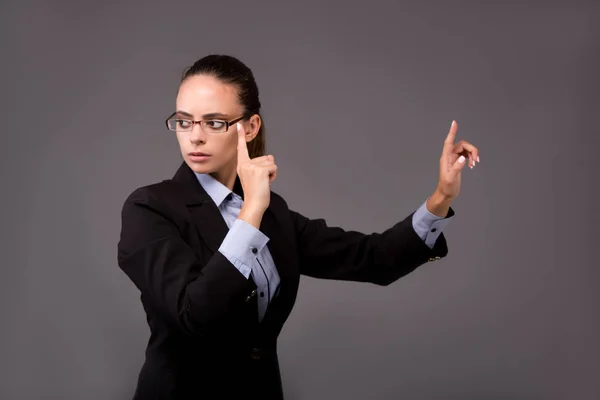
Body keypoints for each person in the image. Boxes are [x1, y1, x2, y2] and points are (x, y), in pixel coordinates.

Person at [117, 54, 480, 400]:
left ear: (250, 126)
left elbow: (374, 259)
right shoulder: (150, 209)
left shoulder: (273, 214)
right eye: (184, 121)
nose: (194, 136)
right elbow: (195, 315)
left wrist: (440, 197)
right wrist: (252, 212)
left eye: (214, 122)